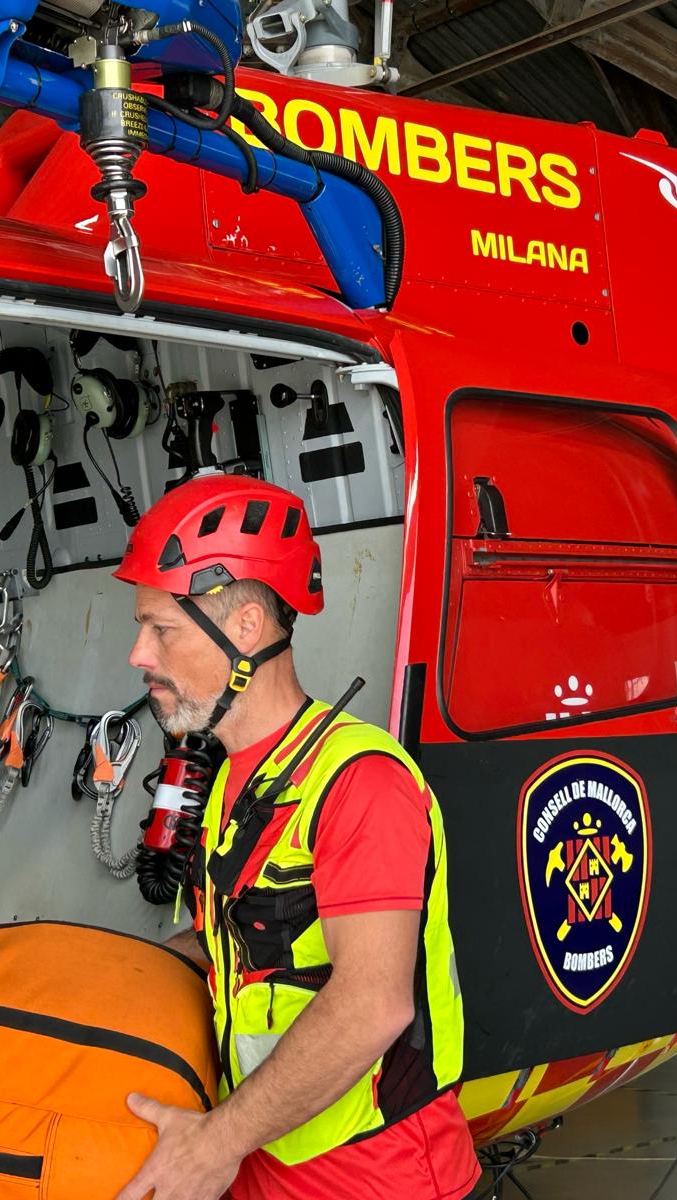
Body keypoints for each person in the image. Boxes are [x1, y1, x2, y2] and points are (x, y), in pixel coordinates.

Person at [113, 475, 479, 1200]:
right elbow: (237, 945)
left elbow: (373, 1003)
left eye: (162, 629)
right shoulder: (231, 780)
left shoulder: (359, 783)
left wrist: (212, 1145)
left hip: (379, 1182)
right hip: (261, 1169)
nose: (138, 655)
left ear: (246, 629)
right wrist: (110, 977)